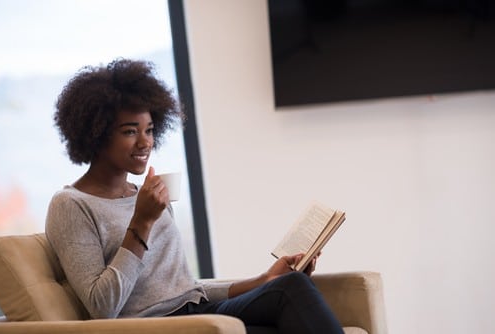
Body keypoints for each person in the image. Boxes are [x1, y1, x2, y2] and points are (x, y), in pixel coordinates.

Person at [46, 58, 344, 334]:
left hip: (198, 312)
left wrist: (264, 280)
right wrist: (141, 223)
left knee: (289, 286)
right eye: (129, 131)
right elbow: (102, 307)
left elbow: (184, 290)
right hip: (159, 327)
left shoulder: (147, 195)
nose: (144, 142)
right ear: (95, 133)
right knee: (288, 305)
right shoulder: (71, 205)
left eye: (149, 130)